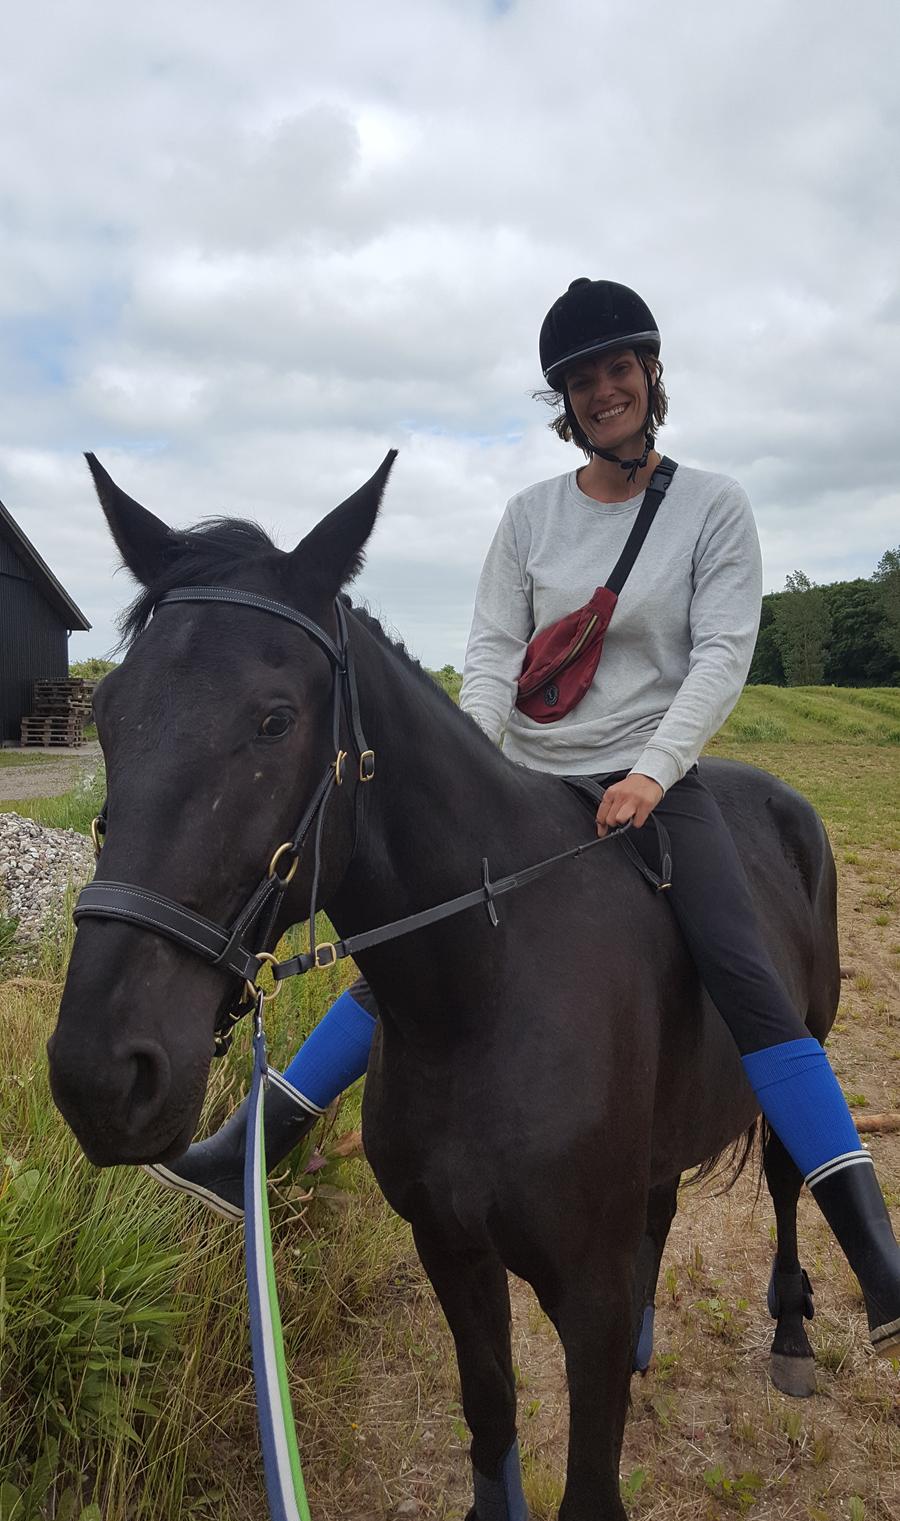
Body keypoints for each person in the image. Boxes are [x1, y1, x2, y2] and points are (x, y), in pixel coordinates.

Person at [147, 277, 900, 1360]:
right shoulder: (528, 518)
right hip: (534, 777)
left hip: (657, 783)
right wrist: (478, 771)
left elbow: (724, 652)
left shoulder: (712, 506)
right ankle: (249, 1145)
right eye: (584, 378)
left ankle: (870, 1249)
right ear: (566, 397)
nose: (605, 389)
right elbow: (495, 655)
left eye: (620, 368)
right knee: (407, 949)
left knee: (753, 981)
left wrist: (650, 770)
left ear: (650, 376)